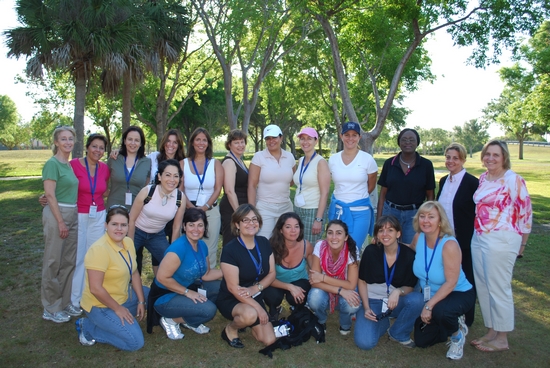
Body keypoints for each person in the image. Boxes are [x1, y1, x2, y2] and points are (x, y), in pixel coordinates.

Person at [470, 140, 532, 352]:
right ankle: (491, 330)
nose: (490, 158)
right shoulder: (484, 178)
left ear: (504, 157)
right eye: (487, 154)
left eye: (496, 155)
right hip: (479, 237)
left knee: (498, 287)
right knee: (484, 286)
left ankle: (502, 338)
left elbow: (525, 213)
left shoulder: (513, 180)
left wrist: (522, 244)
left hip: (503, 238)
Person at [76, 205, 148, 351]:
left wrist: (141, 301)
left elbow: (134, 273)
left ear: (128, 227)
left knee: (150, 294)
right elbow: (95, 288)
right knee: (135, 343)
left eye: (123, 225)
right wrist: (118, 309)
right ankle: (88, 327)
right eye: (114, 224)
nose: (119, 229)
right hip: (101, 306)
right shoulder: (99, 249)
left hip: (123, 297)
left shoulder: (128, 243)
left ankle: (119, 319)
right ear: (105, 225)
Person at [410, 201, 475, 360]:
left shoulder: (449, 244)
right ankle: (446, 322)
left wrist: (429, 306)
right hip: (431, 293)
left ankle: (457, 335)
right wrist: (388, 243)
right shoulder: (419, 237)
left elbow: (451, 282)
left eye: (431, 217)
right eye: (422, 216)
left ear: (440, 220)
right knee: (422, 339)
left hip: (457, 292)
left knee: (441, 312)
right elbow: (409, 248)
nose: (425, 220)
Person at [150, 208, 222, 339]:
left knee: (221, 287)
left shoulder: (202, 245)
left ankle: (190, 320)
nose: (196, 229)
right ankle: (170, 320)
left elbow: (205, 275)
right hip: (166, 296)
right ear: (184, 226)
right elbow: (161, 278)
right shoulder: (178, 249)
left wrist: (227, 271)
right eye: (191, 225)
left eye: (200, 225)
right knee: (209, 310)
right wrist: (187, 292)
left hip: (187, 288)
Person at [354, 216, 424, 350]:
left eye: (390, 230)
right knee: (365, 343)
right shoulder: (370, 251)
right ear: (377, 235)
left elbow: (410, 287)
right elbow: (361, 281)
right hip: (372, 300)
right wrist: (367, 307)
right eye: (381, 230)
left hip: (395, 301)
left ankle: (398, 332)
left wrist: (398, 291)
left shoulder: (409, 255)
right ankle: (383, 321)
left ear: (398, 233)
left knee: (418, 300)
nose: (385, 234)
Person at [216, 204, 277, 348]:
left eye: (254, 219)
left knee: (269, 340)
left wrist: (255, 289)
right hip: (232, 298)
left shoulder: (264, 242)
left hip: (253, 294)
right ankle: (231, 329)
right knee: (250, 314)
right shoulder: (230, 250)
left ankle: (249, 322)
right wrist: (260, 309)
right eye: (245, 220)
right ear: (237, 224)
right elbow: (232, 288)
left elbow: (272, 273)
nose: (251, 223)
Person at [436, 142, 479, 326]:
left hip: (464, 239)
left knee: (467, 277)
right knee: (446, 274)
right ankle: (446, 310)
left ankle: (467, 317)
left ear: (462, 159)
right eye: (448, 157)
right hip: (443, 238)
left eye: (455, 158)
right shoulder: (444, 180)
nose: (451, 161)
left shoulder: (472, 183)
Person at [41, 126, 80, 323]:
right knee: (53, 261)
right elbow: (49, 194)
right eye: (63, 139)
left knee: (68, 262)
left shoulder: (69, 164)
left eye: (70, 139)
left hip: (72, 212)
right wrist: (60, 222)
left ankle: (64, 303)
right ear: (56, 142)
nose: (67, 142)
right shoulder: (52, 164)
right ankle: (50, 307)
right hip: (58, 215)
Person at [69, 133, 110, 313]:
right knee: (79, 258)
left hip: (99, 215)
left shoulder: (104, 168)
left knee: (94, 258)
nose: (98, 150)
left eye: (101, 148)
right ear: (87, 147)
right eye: (94, 146)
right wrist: (45, 197)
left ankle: (90, 296)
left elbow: (105, 189)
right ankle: (74, 299)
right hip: (80, 214)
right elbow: (62, 186)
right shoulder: (74, 165)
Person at [377, 128, 435, 244]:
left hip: (414, 214)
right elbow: (383, 193)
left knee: (410, 249)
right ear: (399, 143)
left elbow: (430, 195)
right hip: (391, 212)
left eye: (411, 140)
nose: (407, 142)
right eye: (404, 139)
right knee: (388, 245)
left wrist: (427, 217)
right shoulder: (390, 164)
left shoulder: (426, 165)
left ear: (417, 143)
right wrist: (379, 219)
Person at [128, 159, 186, 274]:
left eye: (176, 176)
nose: (172, 180)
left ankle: (162, 290)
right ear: (159, 176)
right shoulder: (147, 191)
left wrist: (173, 253)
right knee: (127, 264)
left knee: (171, 266)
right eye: (168, 175)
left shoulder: (180, 197)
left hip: (157, 235)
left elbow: (176, 227)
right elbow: (131, 219)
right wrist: (128, 245)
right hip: (137, 231)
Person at [328, 122, 378, 250]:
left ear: (359, 137)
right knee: (336, 248)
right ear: (341, 136)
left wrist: (356, 197)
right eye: (347, 135)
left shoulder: (367, 159)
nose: (350, 138)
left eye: (354, 135)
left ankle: (353, 270)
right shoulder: (333, 160)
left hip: (360, 212)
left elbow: (371, 185)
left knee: (353, 250)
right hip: (339, 211)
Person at [307, 219, 361, 336]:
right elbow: (314, 281)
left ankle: (345, 323)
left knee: (353, 304)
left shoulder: (352, 249)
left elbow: (351, 284)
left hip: (342, 286)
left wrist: (322, 277)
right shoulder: (320, 246)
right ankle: (321, 320)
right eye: (330, 233)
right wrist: (340, 291)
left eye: (339, 233)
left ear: (346, 237)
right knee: (314, 298)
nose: (334, 237)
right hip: (331, 289)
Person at [183, 127, 224, 269]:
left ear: (208, 143)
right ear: (192, 143)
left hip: (210, 210)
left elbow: (218, 188)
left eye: (204, 140)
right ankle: (192, 277)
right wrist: (191, 208)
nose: (201, 143)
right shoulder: (183, 163)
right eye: (198, 139)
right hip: (189, 210)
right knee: (190, 246)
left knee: (210, 247)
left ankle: (209, 276)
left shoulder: (215, 163)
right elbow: (180, 189)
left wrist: (205, 207)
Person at [248, 124, 295, 239]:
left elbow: (292, 181)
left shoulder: (290, 157)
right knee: (265, 241)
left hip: (286, 207)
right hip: (265, 207)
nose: (271, 141)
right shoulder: (259, 157)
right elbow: (252, 185)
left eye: (274, 137)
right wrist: (251, 210)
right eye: (268, 138)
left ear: (281, 138)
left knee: (286, 241)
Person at [264, 212, 313, 321]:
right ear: (280, 230)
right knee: (272, 296)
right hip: (275, 281)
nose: (293, 230)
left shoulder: (306, 246)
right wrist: (290, 287)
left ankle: (298, 308)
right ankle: (274, 309)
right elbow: (266, 278)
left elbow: (314, 270)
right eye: (288, 227)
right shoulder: (270, 247)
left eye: (296, 226)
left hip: (299, 280)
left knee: (298, 296)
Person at [293, 127, 330, 244]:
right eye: (302, 139)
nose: (305, 142)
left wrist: (318, 219)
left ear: (316, 141)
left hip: (313, 210)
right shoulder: (301, 160)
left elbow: (325, 193)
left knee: (310, 247)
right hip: (298, 208)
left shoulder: (321, 162)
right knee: (299, 244)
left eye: (309, 139)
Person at [106, 126, 151, 211]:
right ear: (124, 141)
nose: (133, 143)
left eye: (137, 140)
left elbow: (146, 187)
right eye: (130, 139)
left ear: (141, 143)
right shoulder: (114, 159)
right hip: (113, 209)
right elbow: (104, 182)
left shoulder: (147, 162)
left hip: (137, 211)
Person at [220, 129, 249, 246]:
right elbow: (229, 191)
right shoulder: (229, 162)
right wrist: (239, 214)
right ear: (229, 144)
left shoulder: (239, 160)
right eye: (236, 142)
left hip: (241, 206)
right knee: (231, 244)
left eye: (242, 142)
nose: (240, 145)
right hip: (232, 209)